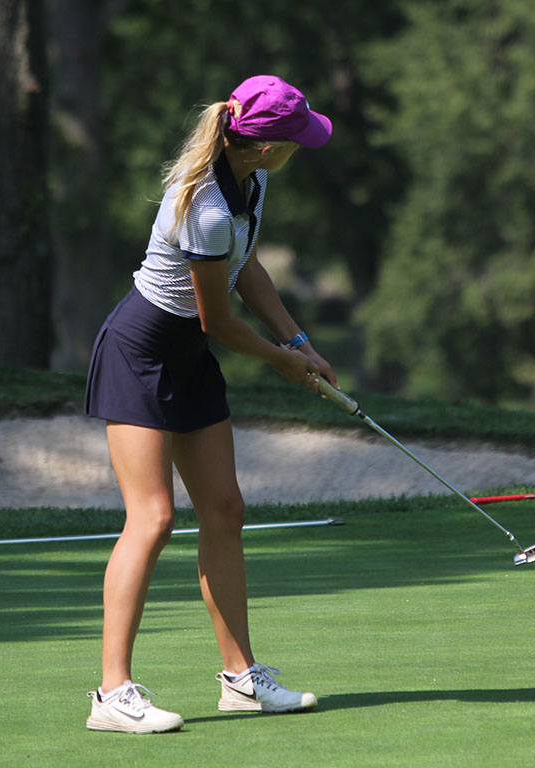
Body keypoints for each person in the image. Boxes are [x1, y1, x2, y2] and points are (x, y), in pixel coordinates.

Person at [82, 75, 337, 734]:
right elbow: (218, 319)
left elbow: (246, 269)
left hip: (190, 357)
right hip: (141, 353)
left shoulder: (252, 181)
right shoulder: (205, 206)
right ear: (267, 144)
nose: (300, 149)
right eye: (296, 140)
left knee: (225, 509)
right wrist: (283, 363)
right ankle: (111, 695)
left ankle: (242, 680)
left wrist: (297, 338)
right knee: (154, 516)